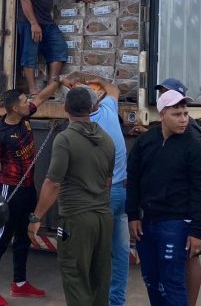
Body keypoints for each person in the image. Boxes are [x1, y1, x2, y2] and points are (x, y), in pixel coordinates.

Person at [28, 87, 115, 306]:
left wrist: (36, 218)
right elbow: (107, 182)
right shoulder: (106, 139)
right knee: (99, 280)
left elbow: (54, 182)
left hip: (76, 219)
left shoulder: (65, 139)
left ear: (65, 108)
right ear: (93, 108)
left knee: (75, 277)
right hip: (103, 217)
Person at [0, 79, 62, 305]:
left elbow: (42, 97)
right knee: (1, 238)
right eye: (25, 101)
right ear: (15, 108)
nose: (29, 103)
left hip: (29, 189)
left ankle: (19, 283)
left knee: (25, 234)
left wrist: (59, 82)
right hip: (10, 191)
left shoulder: (25, 117)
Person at [127, 90, 201, 306]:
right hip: (148, 223)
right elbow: (133, 179)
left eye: (185, 113)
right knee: (152, 281)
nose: (184, 119)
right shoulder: (145, 142)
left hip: (177, 224)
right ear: (162, 114)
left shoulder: (194, 147)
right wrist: (132, 215)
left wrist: (197, 231)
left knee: (172, 283)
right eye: (177, 114)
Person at [61, 76, 129, 306]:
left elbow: (55, 180)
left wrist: (67, 82)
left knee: (91, 255)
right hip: (119, 191)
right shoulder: (109, 108)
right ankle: (115, 301)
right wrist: (99, 79)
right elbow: (113, 89)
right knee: (119, 253)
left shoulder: (81, 128)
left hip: (99, 197)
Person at [18, 0, 97, 93]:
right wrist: (34, 24)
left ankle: (50, 86)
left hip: (46, 21)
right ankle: (33, 90)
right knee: (29, 55)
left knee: (59, 48)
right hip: (30, 22)